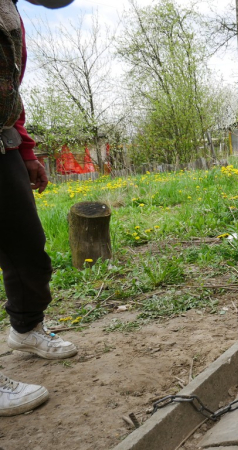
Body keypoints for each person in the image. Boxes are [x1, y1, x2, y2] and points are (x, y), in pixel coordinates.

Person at [0, 0, 76, 417]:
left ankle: (26, 328)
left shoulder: (9, 7)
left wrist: (25, 148)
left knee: (26, 243)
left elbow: (7, 84)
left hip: (2, 139)